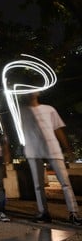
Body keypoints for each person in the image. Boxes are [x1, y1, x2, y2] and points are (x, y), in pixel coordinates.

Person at [21, 92, 82, 225]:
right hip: (33, 150)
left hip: (52, 148)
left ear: (38, 92)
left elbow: (58, 129)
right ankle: (44, 213)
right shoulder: (21, 112)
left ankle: (73, 213)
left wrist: (68, 149)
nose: (31, 92)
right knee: (38, 186)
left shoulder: (49, 109)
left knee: (65, 183)